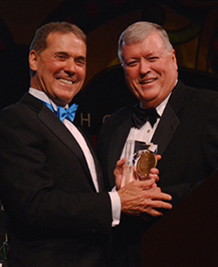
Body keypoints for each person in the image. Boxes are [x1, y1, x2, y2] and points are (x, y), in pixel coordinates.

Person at [0, 21, 172, 267]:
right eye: (62, 57)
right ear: (34, 60)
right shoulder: (15, 119)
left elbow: (78, 200)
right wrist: (118, 202)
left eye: (80, 61)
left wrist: (116, 190)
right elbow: (33, 206)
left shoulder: (73, 126)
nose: (71, 69)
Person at [96, 21, 218, 266]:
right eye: (132, 63)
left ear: (173, 59)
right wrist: (118, 195)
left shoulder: (208, 107)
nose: (144, 69)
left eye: (152, 58)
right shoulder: (113, 125)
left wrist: (163, 198)